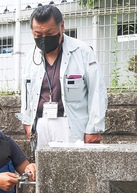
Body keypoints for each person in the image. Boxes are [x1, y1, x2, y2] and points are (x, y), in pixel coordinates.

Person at [20, 4, 108, 151]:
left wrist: (93, 128)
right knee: (45, 170)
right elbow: (26, 94)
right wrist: (27, 122)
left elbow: (97, 91)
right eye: (38, 35)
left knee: (75, 170)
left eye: (49, 33)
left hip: (71, 123)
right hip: (41, 123)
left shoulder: (82, 52)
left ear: (62, 26)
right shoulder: (30, 57)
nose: (44, 39)